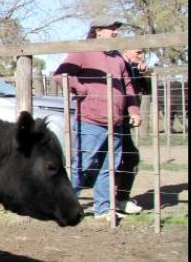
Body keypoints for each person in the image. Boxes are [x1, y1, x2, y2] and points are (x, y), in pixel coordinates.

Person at [53, 18, 142, 220]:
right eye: (112, 29)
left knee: (109, 166)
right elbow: (60, 75)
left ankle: (103, 209)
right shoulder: (82, 50)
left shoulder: (117, 58)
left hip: (116, 121)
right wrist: (81, 89)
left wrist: (134, 110)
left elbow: (128, 86)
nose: (115, 33)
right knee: (82, 165)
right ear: (98, 31)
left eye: (116, 29)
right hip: (91, 120)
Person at [114, 48, 152, 215]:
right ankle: (118, 199)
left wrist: (145, 75)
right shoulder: (115, 64)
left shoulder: (134, 69)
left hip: (124, 121)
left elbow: (146, 90)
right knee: (126, 157)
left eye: (142, 52)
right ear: (126, 50)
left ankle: (119, 199)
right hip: (112, 119)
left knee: (128, 157)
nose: (141, 55)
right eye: (138, 51)